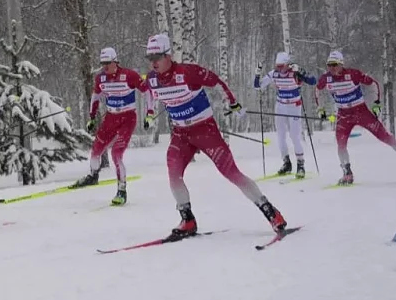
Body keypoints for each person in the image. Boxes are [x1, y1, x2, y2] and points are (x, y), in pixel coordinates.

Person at [143, 34, 288, 238]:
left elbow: (217, 82)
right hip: (180, 134)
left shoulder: (187, 72)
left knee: (231, 173)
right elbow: (149, 93)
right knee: (173, 174)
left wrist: (232, 102)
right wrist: (149, 114)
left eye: (157, 57)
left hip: (204, 130)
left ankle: (271, 212)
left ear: (168, 55)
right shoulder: (152, 79)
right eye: (150, 58)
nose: (153, 63)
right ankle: (188, 219)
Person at [314, 51, 396, 185]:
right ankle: (347, 173)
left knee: (386, 137)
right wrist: (320, 108)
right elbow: (318, 90)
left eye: (335, 65)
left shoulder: (352, 74)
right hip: (343, 115)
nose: (332, 68)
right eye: (329, 65)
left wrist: (376, 104)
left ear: (341, 64)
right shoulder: (325, 78)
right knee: (341, 144)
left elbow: (373, 84)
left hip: (361, 112)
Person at [70, 47, 151, 206]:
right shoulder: (101, 78)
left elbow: (147, 91)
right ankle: (93, 176)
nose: (105, 67)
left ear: (115, 62)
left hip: (127, 119)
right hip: (111, 118)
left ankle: (122, 190)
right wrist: (92, 117)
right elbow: (95, 96)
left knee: (116, 153)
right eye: (103, 64)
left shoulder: (128, 75)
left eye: (108, 63)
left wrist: (149, 113)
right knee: (95, 150)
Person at [254, 51, 317, 178]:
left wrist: (301, 71)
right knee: (280, 136)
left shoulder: (295, 72)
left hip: (294, 107)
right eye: (277, 66)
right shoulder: (274, 73)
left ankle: (300, 164)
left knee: (294, 136)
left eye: (281, 66)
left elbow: (313, 81)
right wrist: (257, 73)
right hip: (280, 106)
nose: (279, 69)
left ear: (288, 64)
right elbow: (258, 86)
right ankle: (286, 163)